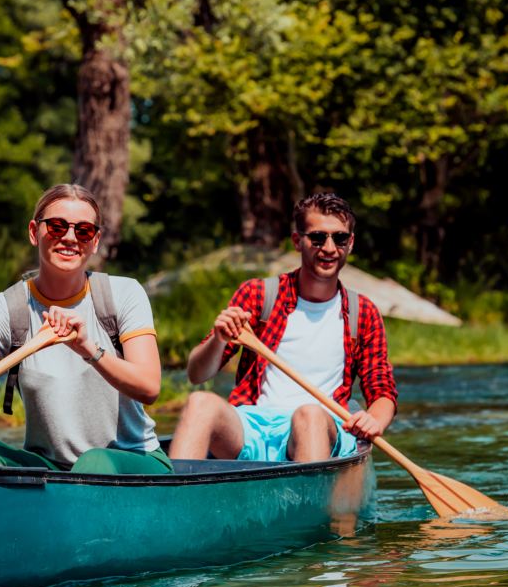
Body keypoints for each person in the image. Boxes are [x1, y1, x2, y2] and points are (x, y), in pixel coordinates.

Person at [0, 183, 172, 475]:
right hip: (51, 468)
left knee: (94, 463)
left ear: (95, 241)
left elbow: (149, 387)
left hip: (131, 459)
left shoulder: (124, 294)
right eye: (56, 226)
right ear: (33, 232)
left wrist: (88, 349)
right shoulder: (6, 308)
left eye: (83, 231)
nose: (69, 238)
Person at [169, 192, 397, 464]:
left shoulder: (364, 313)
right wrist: (218, 340)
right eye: (317, 237)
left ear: (350, 243)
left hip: (321, 426)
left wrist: (375, 420)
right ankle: (174, 498)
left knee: (308, 414)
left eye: (339, 238)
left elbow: (382, 390)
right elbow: (197, 374)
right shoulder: (258, 295)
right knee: (199, 403)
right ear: (297, 241)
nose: (328, 248)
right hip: (253, 425)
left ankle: (309, 505)